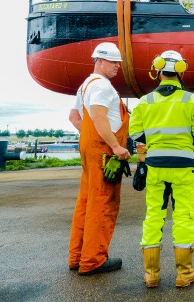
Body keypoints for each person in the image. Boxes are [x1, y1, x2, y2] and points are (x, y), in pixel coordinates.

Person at [129, 50, 194, 288]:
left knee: (153, 215)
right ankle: (184, 273)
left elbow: (136, 134)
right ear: (181, 71)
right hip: (183, 167)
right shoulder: (192, 100)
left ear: (158, 70)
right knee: (184, 216)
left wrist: (156, 140)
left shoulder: (145, 102)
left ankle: (151, 274)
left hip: (154, 166)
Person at [67, 42, 131, 275]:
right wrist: (114, 146)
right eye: (114, 62)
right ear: (100, 61)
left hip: (91, 148)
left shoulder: (85, 86)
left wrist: (90, 138)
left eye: (118, 63)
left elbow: (74, 117)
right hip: (104, 151)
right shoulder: (103, 87)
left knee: (85, 202)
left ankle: (77, 257)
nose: (118, 67)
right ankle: (93, 260)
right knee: (102, 203)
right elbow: (98, 116)